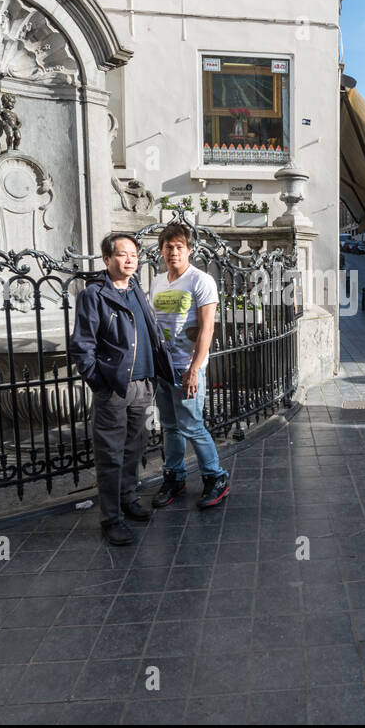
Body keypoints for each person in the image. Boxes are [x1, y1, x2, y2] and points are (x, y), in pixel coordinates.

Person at [69, 232, 178, 546]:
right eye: (122, 254)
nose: (130, 259)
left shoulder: (136, 289)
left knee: (135, 449)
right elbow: (82, 347)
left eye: (134, 254)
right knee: (110, 456)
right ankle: (111, 518)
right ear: (107, 259)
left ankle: (129, 499)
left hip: (144, 385)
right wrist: (99, 382)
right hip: (114, 388)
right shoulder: (94, 295)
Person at [149, 223, 231, 511]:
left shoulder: (201, 280)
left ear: (189, 250)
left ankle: (215, 477)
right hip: (163, 367)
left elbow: (208, 328)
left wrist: (195, 368)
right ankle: (175, 477)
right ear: (161, 250)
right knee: (170, 426)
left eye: (179, 247)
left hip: (187, 367)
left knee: (192, 425)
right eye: (168, 247)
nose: (173, 252)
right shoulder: (157, 282)